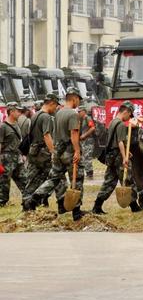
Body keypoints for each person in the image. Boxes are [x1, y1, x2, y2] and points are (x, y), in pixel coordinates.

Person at [25, 87, 86, 221]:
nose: (79, 103)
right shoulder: (73, 114)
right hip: (69, 152)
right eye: (79, 100)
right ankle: (76, 211)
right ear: (74, 98)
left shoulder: (58, 113)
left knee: (53, 178)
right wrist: (77, 151)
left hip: (58, 152)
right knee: (77, 179)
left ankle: (35, 198)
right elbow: (74, 133)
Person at [92, 101, 141, 214]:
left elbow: (115, 141)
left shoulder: (113, 122)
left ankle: (97, 206)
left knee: (109, 181)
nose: (130, 117)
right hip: (118, 156)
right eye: (130, 114)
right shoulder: (120, 124)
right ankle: (134, 206)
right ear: (126, 111)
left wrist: (126, 153)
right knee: (128, 180)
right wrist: (124, 157)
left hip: (112, 156)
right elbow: (119, 142)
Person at [22, 93, 66, 211]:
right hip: (43, 153)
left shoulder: (35, 115)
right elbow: (47, 135)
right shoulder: (45, 117)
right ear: (51, 103)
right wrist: (53, 152)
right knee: (58, 176)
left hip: (34, 151)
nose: (56, 108)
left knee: (33, 179)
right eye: (56, 105)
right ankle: (62, 204)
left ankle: (26, 205)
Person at [0, 102, 28, 206]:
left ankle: (27, 199)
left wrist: (22, 155)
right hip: (6, 158)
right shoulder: (3, 127)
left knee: (24, 179)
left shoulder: (16, 125)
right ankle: (2, 202)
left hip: (17, 157)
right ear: (11, 112)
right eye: (18, 111)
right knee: (4, 183)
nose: (20, 113)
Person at [78, 106, 96, 180]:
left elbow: (92, 128)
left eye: (80, 111)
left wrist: (84, 135)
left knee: (87, 157)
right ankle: (88, 173)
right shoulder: (81, 119)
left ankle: (90, 174)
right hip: (83, 141)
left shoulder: (87, 118)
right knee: (84, 157)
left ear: (84, 111)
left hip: (88, 141)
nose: (78, 113)